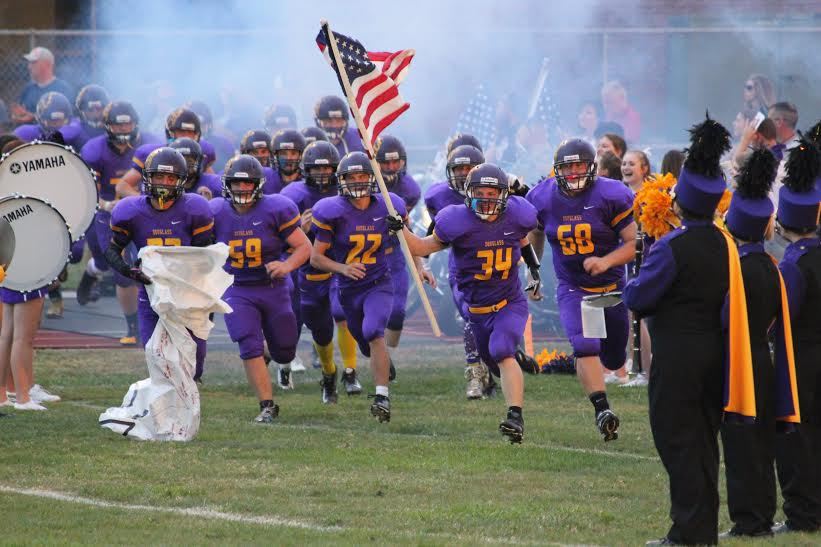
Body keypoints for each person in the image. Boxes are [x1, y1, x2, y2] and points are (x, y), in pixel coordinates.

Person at [623, 116, 751, 545]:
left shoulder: (671, 246)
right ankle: (701, 530)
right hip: (716, 352)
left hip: (678, 356)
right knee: (702, 443)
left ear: (679, 201)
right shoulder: (725, 241)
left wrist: (632, 283)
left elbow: (639, 298)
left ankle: (687, 532)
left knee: (678, 441)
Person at [391, 162, 540, 443]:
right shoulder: (455, 220)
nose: (485, 198)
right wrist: (400, 230)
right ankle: (517, 361)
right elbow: (422, 247)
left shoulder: (517, 215)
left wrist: (534, 270)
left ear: (504, 194)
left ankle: (515, 418)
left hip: (509, 301)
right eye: (479, 191)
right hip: (477, 310)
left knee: (501, 349)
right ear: (467, 193)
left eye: (491, 192)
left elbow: (522, 236)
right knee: (495, 360)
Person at [527, 139, 635, 441]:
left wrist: (605, 261)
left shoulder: (611, 194)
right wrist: (533, 270)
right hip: (573, 286)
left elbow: (632, 243)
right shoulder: (543, 197)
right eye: (567, 167)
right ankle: (602, 409)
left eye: (579, 166)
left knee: (614, 358)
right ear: (556, 170)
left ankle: (609, 375)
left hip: (611, 286)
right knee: (585, 346)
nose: (573, 172)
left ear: (592, 167)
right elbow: (534, 230)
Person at [720, 146, 799, 538]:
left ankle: (749, 521)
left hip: (739, 363)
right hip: (762, 360)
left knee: (741, 446)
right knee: (762, 446)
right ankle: (763, 515)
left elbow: (724, 319)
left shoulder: (737, 271)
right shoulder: (770, 265)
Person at [211, 154, 311, 422]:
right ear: (227, 184)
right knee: (247, 341)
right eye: (237, 184)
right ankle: (267, 405)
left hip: (273, 287)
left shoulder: (276, 208)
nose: (242, 189)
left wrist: (287, 266)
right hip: (236, 287)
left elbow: (304, 247)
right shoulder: (216, 211)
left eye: (248, 184)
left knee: (285, 351)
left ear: (258, 185)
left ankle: (271, 354)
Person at [310, 152, 407, 422]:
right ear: (341, 181)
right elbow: (315, 258)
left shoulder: (389, 205)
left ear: (371, 178)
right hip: (348, 288)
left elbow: (410, 243)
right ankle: (381, 361)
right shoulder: (332, 211)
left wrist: (420, 265)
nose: (357, 181)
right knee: (365, 343)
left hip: (379, 283)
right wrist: (342, 268)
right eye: (351, 177)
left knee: (373, 330)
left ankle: (381, 397)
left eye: (362, 175)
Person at [106, 147, 215, 381]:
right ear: (148, 178)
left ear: (181, 180)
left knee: (193, 367)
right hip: (152, 296)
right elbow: (113, 250)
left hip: (189, 295)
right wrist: (129, 270)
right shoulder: (130, 210)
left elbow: (206, 256)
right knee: (157, 360)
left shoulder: (194, 208)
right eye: (159, 176)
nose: (165, 182)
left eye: (171, 177)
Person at [76, 101, 163, 345]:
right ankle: (132, 326)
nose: (124, 127)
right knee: (119, 269)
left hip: (146, 209)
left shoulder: (150, 144)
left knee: (154, 264)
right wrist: (105, 205)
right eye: (118, 123)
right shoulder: (95, 151)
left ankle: (149, 323)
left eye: (128, 122)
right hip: (110, 212)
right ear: (107, 126)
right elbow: (87, 190)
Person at [281, 140, 361, 401]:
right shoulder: (293, 195)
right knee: (321, 329)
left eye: (328, 169)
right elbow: (281, 242)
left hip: (340, 267)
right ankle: (329, 373)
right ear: (305, 170)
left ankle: (351, 371)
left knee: (343, 313)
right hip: (310, 273)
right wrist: (299, 232)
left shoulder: (347, 191)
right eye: (317, 169)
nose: (323, 174)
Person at [773, 137, 821, 534]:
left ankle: (803, 513)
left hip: (801, 357)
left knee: (798, 436)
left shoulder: (794, 264)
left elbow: (782, 315)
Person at [424, 142, 494, 399]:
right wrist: (424, 263)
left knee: (496, 330)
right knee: (470, 318)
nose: (464, 173)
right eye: (459, 168)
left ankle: (490, 368)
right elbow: (433, 231)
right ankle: (474, 373)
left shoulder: (496, 188)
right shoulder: (438, 197)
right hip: (463, 268)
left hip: (497, 267)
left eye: (470, 168)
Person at [374, 135, 434, 371]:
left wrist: (420, 265)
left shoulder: (409, 189)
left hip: (393, 251)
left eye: (394, 162)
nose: (390, 167)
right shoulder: (365, 181)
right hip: (365, 253)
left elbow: (404, 228)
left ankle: (385, 355)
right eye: (385, 163)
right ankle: (378, 351)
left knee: (397, 311)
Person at [11, 47, 73, 125]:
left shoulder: (63, 89)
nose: (29, 67)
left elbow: (67, 119)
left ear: (47, 64)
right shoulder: (28, 88)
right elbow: (21, 113)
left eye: (33, 62)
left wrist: (34, 117)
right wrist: (18, 116)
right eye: (29, 63)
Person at [13, 91, 84, 150]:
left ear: (67, 117)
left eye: (57, 118)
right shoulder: (32, 131)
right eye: (46, 118)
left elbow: (73, 129)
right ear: (40, 118)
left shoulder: (74, 125)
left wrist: (49, 139)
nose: (55, 123)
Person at [263, 129, 307, 195]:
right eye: (283, 153)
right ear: (276, 155)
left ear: (300, 155)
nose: (288, 158)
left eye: (293, 153)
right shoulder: (265, 176)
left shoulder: (307, 180)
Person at [73, 84, 110, 149]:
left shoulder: (114, 129)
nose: (95, 113)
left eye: (99, 108)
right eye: (90, 109)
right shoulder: (73, 130)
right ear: (82, 110)